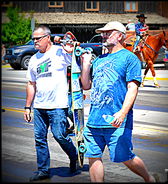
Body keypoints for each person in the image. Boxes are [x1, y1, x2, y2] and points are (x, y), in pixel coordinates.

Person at [80, 21, 157, 182]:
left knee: (125, 157)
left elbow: (132, 88)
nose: (104, 35)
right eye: (103, 32)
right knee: (93, 157)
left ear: (120, 35)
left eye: (108, 32)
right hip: (94, 120)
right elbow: (86, 85)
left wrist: (123, 113)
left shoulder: (130, 58)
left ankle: (149, 178)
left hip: (117, 120)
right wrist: (85, 64)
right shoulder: (99, 59)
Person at [24, 25, 78, 181]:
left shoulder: (59, 52)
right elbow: (31, 84)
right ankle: (43, 170)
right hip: (39, 106)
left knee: (60, 135)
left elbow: (75, 56)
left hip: (58, 105)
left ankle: (74, 156)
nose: (35, 42)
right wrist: (28, 106)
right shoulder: (34, 59)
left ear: (47, 37)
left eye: (38, 38)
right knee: (39, 139)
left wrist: (70, 48)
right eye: (33, 39)